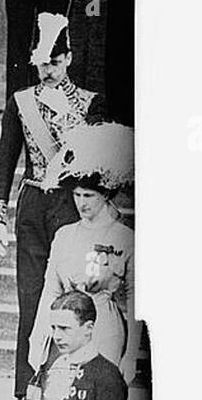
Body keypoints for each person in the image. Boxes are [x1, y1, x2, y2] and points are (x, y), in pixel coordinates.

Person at [0, 14, 107, 400]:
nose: (48, 70)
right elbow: (5, 161)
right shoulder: (21, 103)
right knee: (31, 298)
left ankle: (72, 386)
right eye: (41, 63)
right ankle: (26, 391)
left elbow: (97, 165)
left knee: (72, 299)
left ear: (68, 58)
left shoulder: (90, 104)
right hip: (34, 204)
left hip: (71, 206)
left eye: (54, 62)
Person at [28, 123, 136, 378]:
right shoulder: (64, 235)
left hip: (103, 326)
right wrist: (39, 333)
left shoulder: (124, 237)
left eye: (89, 196)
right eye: (77, 195)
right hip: (65, 326)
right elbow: (51, 290)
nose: (81, 203)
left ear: (105, 196)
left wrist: (130, 355)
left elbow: (133, 302)